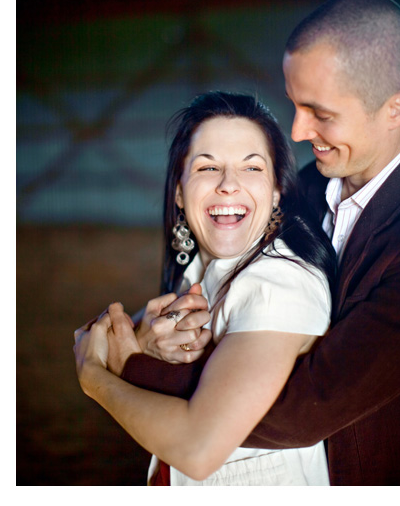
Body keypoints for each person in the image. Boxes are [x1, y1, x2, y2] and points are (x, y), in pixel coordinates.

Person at [100, 0, 400, 485]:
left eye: (320, 113)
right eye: (294, 105)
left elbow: (305, 406)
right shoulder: (300, 189)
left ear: (397, 108)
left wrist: (128, 370)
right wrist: (151, 336)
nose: (296, 131)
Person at [74, 91, 337, 484]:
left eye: (251, 168)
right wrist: (145, 344)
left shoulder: (279, 283)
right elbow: (124, 335)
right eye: (207, 167)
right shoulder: (199, 269)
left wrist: (95, 380)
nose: (229, 185)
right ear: (179, 192)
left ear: (277, 190)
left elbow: (198, 450)